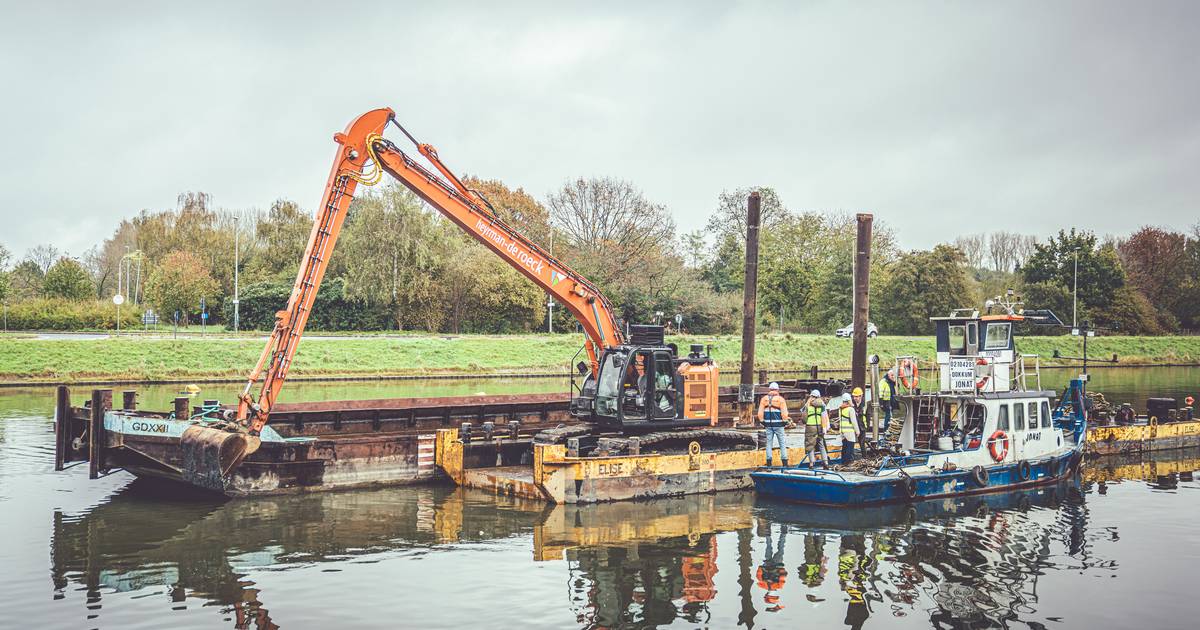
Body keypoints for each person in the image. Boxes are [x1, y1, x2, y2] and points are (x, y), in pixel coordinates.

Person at [757, 382, 791, 467]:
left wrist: (762, 421)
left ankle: (769, 464)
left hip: (768, 425)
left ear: (769, 389)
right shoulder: (780, 399)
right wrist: (785, 422)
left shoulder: (764, 399)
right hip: (779, 425)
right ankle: (785, 464)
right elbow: (784, 414)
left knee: (769, 444)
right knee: (782, 444)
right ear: (777, 390)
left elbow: (760, 413)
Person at [801, 389, 830, 469]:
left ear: (811, 396)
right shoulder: (822, 405)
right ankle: (825, 462)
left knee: (810, 445)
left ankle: (811, 464)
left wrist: (805, 422)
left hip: (810, 426)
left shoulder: (807, 405)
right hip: (820, 426)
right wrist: (825, 427)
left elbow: (804, 418)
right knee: (821, 444)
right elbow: (824, 416)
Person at [838, 393, 860, 464]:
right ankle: (848, 462)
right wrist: (857, 431)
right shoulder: (851, 409)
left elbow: (840, 420)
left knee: (844, 447)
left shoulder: (840, 409)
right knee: (850, 447)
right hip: (849, 431)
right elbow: (854, 421)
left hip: (842, 431)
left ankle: (843, 462)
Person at [878, 369, 897, 437]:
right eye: (892, 375)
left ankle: (889, 429)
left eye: (893, 375)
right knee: (888, 415)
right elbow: (880, 392)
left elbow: (896, 388)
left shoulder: (890, 381)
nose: (893, 376)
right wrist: (881, 403)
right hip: (886, 401)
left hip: (891, 400)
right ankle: (886, 430)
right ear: (888, 375)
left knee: (890, 415)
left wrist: (895, 381)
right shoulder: (883, 381)